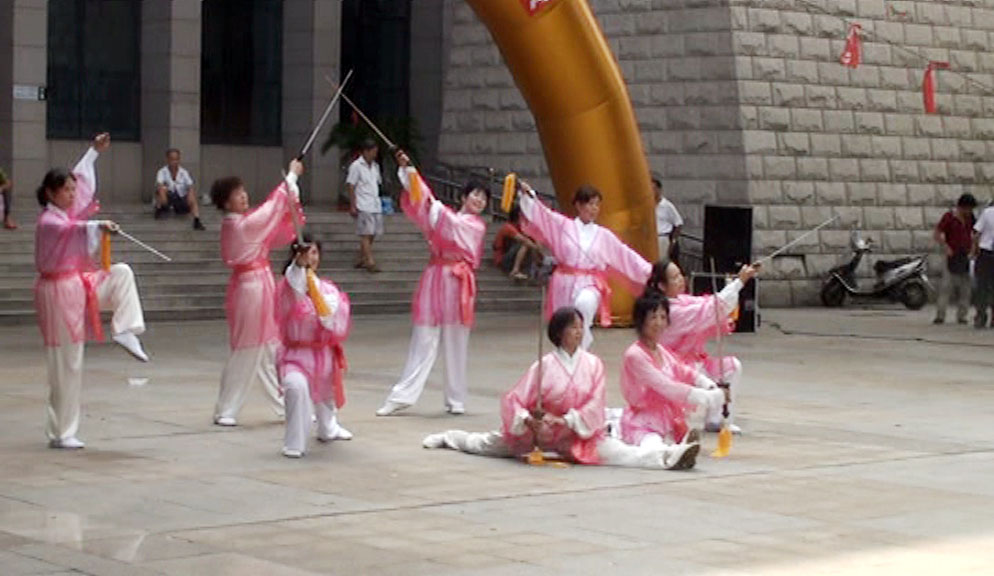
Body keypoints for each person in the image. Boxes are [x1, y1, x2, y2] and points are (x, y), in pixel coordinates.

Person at [422, 307, 701, 470]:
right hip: (538, 434)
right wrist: (529, 420)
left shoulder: (593, 364)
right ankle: (451, 438)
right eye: (573, 327)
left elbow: (594, 404)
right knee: (486, 445)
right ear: (559, 333)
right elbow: (514, 400)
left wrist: (566, 420)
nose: (579, 332)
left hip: (576, 434)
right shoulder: (543, 365)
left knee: (620, 453)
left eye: (581, 327)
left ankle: (668, 456)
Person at [34, 133, 149, 449]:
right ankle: (62, 431)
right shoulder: (49, 221)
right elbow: (67, 230)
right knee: (66, 363)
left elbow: (82, 180)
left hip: (77, 284)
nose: (73, 194)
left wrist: (94, 152)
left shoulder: (67, 215)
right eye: (66, 190)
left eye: (73, 190)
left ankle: (125, 329)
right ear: (50, 193)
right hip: (57, 292)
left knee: (121, 273)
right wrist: (97, 226)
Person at [376, 150, 488, 417]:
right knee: (423, 336)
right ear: (463, 197)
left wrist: (420, 185)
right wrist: (409, 174)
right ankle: (401, 396)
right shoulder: (444, 216)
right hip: (436, 276)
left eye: (484, 198)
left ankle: (456, 398)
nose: (479, 200)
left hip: (458, 282)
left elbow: (445, 219)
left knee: (456, 340)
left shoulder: (474, 226)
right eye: (475, 195)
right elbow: (425, 207)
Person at [211, 159, 304, 426]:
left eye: (243, 191)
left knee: (268, 350)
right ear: (226, 202)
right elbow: (271, 209)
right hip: (250, 288)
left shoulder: (241, 223)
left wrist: (291, 182)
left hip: (258, 285)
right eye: (237, 194)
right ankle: (226, 408)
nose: (244, 196)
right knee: (248, 348)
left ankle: (284, 405)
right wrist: (292, 177)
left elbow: (270, 216)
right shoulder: (240, 225)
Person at [516, 180, 652, 350]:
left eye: (597, 204)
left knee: (583, 305)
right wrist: (529, 196)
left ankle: (581, 351)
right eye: (590, 204)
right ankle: (565, 355)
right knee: (564, 325)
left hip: (590, 282)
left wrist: (651, 271)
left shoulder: (603, 235)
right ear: (579, 205)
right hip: (563, 282)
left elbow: (625, 255)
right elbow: (543, 214)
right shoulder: (563, 225)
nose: (594, 208)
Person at [644, 258, 757, 434]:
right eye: (674, 278)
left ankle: (716, 419)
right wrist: (739, 282)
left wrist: (735, 285)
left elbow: (709, 304)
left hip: (693, 362)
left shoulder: (682, 301)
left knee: (732, 367)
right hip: (673, 367)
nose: (680, 280)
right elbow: (710, 309)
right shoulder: (670, 311)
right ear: (662, 286)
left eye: (680, 275)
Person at [277, 234, 353, 458]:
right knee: (295, 386)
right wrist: (299, 265)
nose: (312, 257)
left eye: (315, 252)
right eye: (308, 252)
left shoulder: (327, 290)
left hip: (322, 354)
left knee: (325, 397)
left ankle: (328, 428)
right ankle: (294, 443)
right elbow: (295, 280)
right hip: (296, 356)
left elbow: (332, 319)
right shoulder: (289, 288)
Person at [619, 294, 725, 448]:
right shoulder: (635, 355)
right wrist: (708, 397)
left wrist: (708, 384)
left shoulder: (661, 350)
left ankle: (678, 448)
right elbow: (667, 387)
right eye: (653, 317)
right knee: (654, 448)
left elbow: (683, 371)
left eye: (663, 317)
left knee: (671, 446)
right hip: (642, 423)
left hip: (666, 420)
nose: (659, 323)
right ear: (641, 321)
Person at [933, 193, 977, 325]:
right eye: (968, 209)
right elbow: (937, 233)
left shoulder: (971, 218)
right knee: (946, 286)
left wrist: (973, 250)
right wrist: (945, 247)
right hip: (951, 255)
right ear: (961, 207)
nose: (969, 211)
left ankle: (962, 315)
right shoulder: (949, 217)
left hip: (965, 256)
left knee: (966, 288)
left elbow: (975, 234)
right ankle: (940, 315)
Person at [346, 139, 383, 273]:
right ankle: (369, 261)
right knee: (366, 234)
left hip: (375, 204)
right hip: (363, 204)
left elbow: (377, 183)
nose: (374, 154)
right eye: (373, 152)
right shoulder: (356, 166)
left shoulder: (375, 166)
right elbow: (351, 185)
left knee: (373, 233)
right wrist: (353, 205)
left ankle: (362, 257)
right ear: (365, 152)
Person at [154, 148, 205, 230]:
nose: (174, 162)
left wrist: (190, 194)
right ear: (167, 160)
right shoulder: (162, 171)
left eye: (176, 159)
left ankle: (197, 220)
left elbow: (190, 185)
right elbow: (159, 184)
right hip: (169, 197)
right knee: (161, 189)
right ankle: (160, 208)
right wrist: (162, 193)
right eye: (172, 159)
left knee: (192, 195)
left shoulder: (184, 172)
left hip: (181, 198)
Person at [493, 204, 539, 281]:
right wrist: (538, 250)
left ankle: (535, 268)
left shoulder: (519, 227)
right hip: (502, 260)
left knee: (530, 241)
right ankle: (515, 270)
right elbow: (524, 240)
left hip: (510, 256)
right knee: (526, 243)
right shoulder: (508, 227)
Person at [652, 174, 682, 263]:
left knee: (662, 262)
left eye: (653, 189)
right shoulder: (648, 205)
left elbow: (678, 223)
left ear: (659, 190)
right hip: (651, 239)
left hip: (662, 237)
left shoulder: (667, 205)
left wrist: (673, 241)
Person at [973, 200, 994, 329]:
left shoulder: (987, 212)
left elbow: (976, 234)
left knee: (982, 286)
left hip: (985, 254)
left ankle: (981, 317)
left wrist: (974, 251)